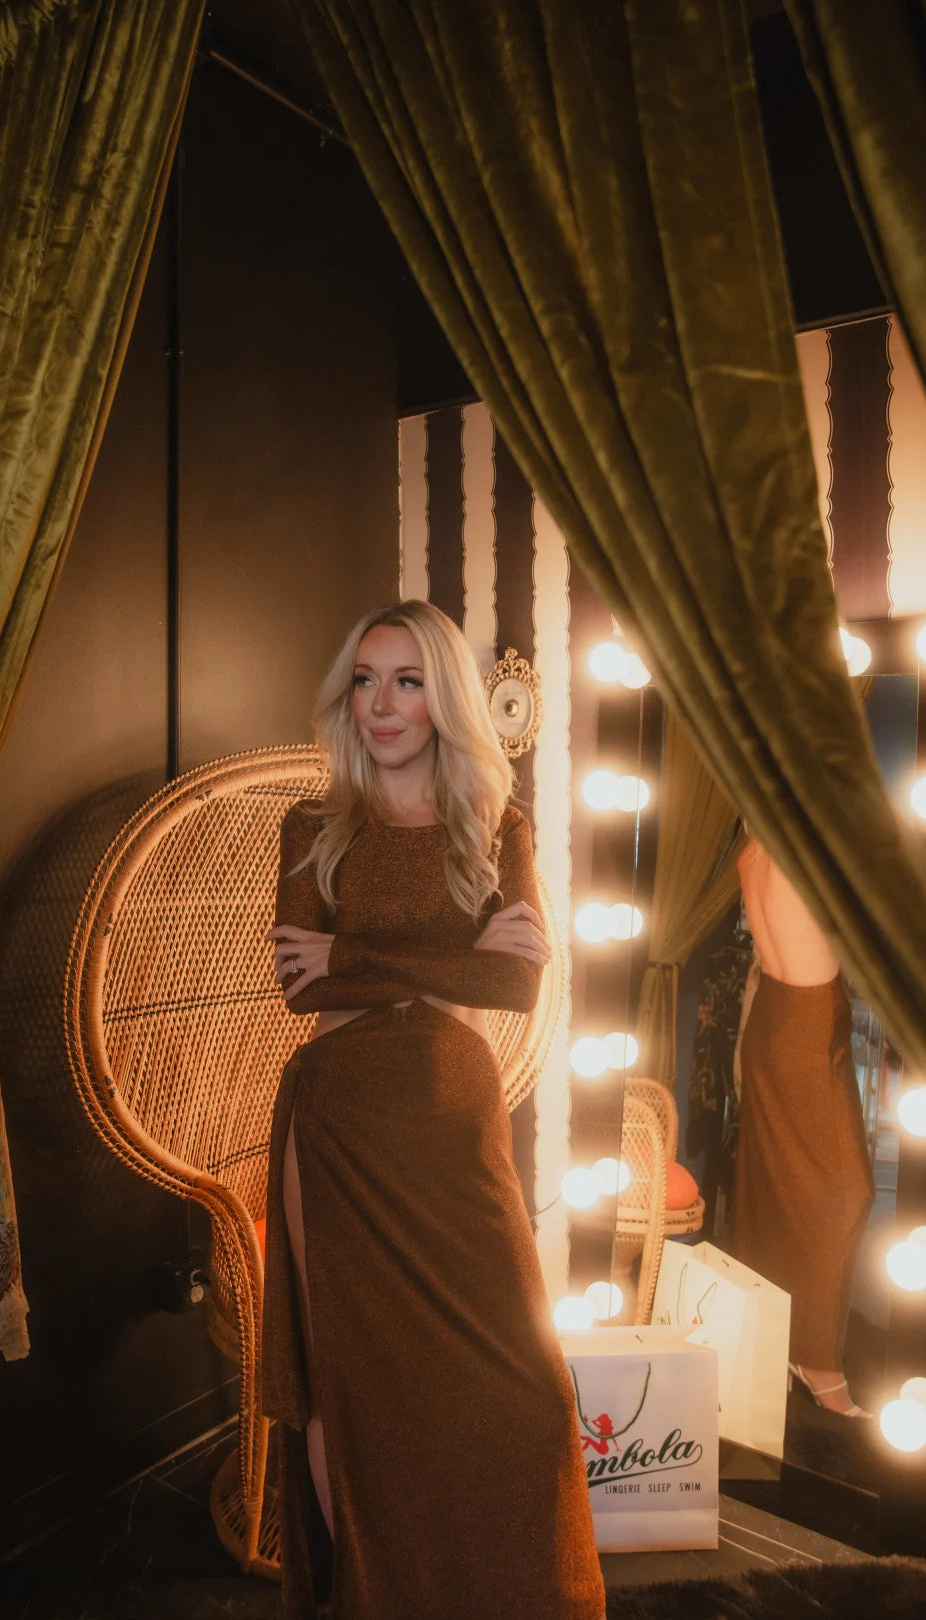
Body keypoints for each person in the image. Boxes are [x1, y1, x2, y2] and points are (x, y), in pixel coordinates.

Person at [262, 600, 605, 1619]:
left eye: (407, 680)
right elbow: (300, 987)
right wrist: (436, 963)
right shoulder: (314, 826)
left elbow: (513, 990)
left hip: (455, 1125)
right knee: (350, 1389)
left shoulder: (494, 826)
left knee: (524, 1390)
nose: (381, 703)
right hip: (339, 1124)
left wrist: (356, 955)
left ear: (445, 694)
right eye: (365, 680)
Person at [728, 836, 874, 1418]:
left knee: (774, 1188)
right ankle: (818, 1363)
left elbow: (762, 964)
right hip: (807, 1022)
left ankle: (775, 1343)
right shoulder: (807, 837)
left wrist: (744, 1051)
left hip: (772, 1015)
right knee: (846, 1192)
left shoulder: (755, 845)